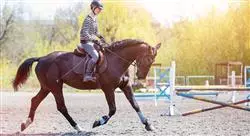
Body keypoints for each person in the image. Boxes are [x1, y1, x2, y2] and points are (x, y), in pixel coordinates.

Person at [78, 0, 105, 82]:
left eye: (100, 9)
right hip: (85, 42)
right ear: (93, 8)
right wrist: (93, 39)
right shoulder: (88, 19)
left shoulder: (94, 19)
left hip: (91, 41)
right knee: (96, 56)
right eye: (98, 9)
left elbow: (96, 32)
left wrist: (101, 37)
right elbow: (85, 33)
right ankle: (87, 75)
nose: (99, 11)